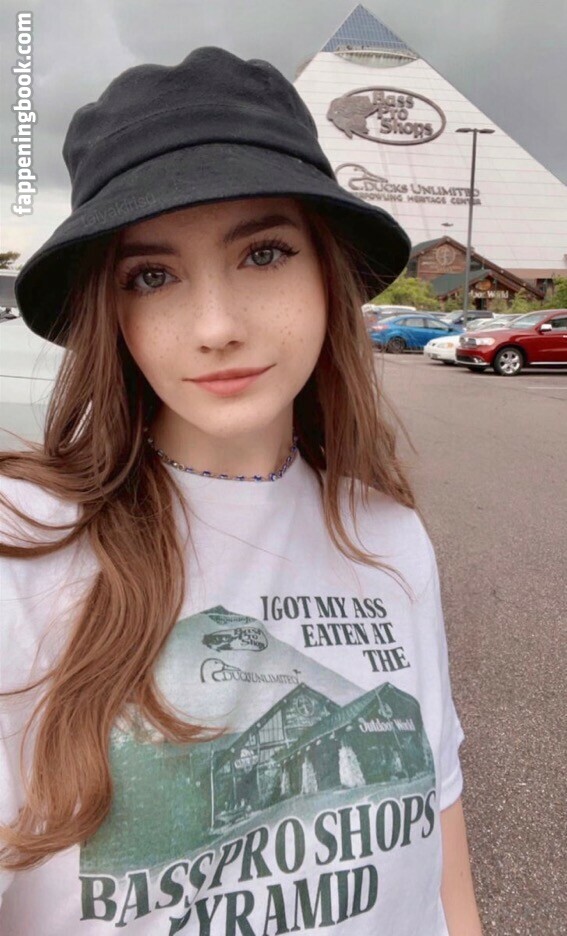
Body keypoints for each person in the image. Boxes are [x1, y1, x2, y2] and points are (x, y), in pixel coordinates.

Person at [0, 47, 483, 935]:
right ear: (112, 313)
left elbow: (439, 845)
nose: (216, 326)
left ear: (326, 274)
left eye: (263, 253)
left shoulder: (386, 535)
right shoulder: (23, 547)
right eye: (152, 275)